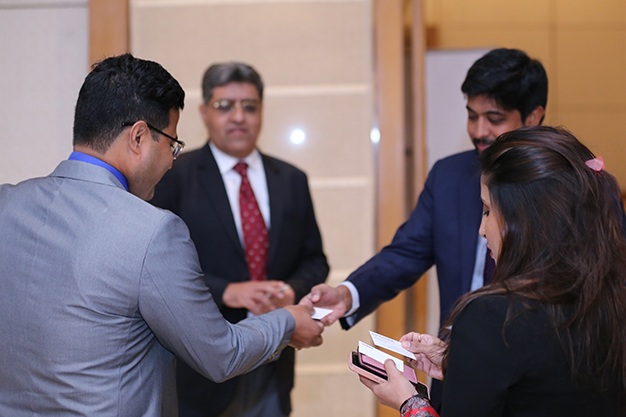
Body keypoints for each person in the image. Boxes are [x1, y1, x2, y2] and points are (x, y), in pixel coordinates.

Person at [0, 53, 324, 417]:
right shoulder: (152, 230)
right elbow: (221, 354)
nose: (171, 160)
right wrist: (288, 322)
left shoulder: (6, 204)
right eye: (171, 144)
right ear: (139, 137)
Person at [301, 48, 547, 407]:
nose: (479, 131)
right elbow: (406, 252)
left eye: (494, 118)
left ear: (533, 116)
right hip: (454, 372)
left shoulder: (570, 185)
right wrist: (347, 294)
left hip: (537, 384)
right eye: (472, 116)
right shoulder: (450, 176)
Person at [359, 126, 626, 416]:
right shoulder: (610, 297)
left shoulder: (493, 315)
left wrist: (409, 402)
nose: (482, 229)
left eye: (487, 211)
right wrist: (461, 362)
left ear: (522, 219)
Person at [150, 62, 329, 417]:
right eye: (224, 106)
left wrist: (290, 291)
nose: (238, 117)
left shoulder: (291, 179)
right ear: (203, 112)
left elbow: (315, 260)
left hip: (274, 359)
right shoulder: (174, 174)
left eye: (249, 106)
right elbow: (154, 267)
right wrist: (227, 291)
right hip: (199, 366)